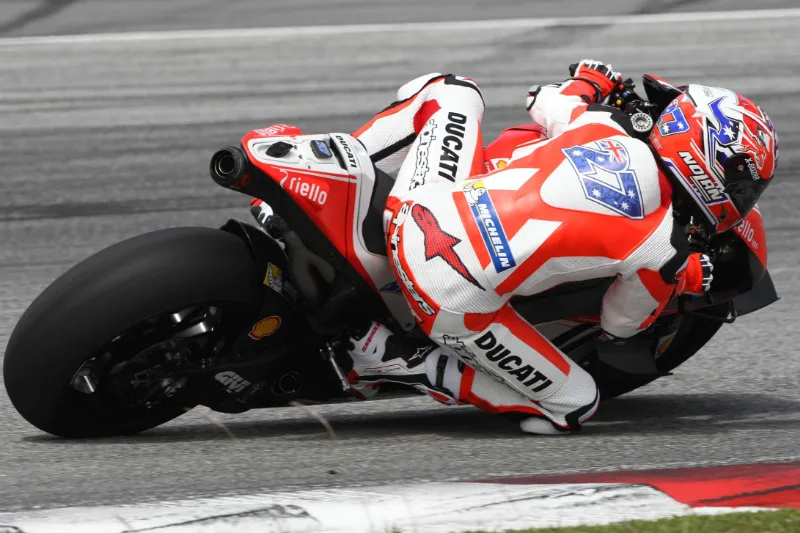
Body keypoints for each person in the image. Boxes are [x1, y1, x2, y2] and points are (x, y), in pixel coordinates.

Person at [344, 59, 779, 434]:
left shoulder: (602, 123)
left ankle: (348, 163)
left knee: (453, 92)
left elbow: (542, 98)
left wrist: (591, 80)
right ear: (712, 167)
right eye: (744, 186)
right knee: (576, 404)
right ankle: (405, 362)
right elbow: (618, 326)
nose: (743, 197)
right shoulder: (663, 246)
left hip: (415, 210)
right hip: (444, 296)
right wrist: (687, 275)